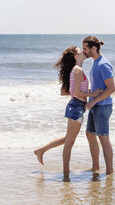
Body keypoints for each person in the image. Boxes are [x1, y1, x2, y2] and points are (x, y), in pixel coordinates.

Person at [34, 46, 101, 176]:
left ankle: (41, 150)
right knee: (69, 142)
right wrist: (93, 93)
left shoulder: (75, 70)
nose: (83, 51)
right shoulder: (78, 70)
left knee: (67, 139)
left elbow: (68, 91)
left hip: (76, 106)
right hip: (76, 107)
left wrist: (85, 94)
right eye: (80, 50)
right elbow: (76, 92)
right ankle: (66, 172)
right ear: (76, 56)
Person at [82, 36, 115, 175]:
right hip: (96, 105)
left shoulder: (103, 64)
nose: (84, 52)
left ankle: (109, 172)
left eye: (85, 49)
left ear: (93, 48)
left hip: (102, 106)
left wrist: (93, 101)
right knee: (90, 134)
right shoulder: (95, 62)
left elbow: (111, 88)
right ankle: (95, 166)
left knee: (103, 138)